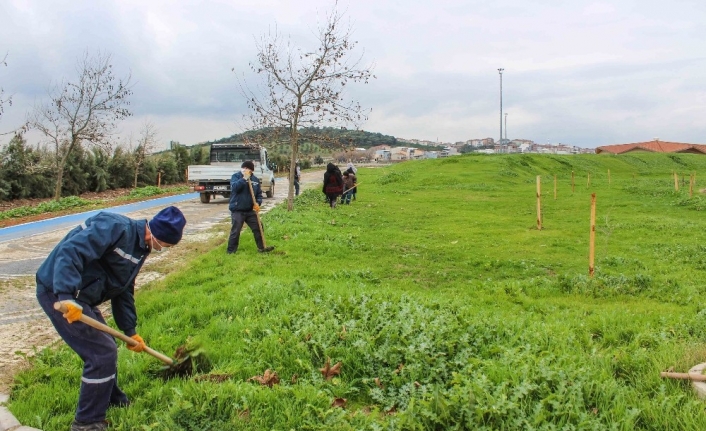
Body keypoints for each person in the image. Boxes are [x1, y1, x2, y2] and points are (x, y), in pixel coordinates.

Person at [36, 206, 187, 431]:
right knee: (101, 353)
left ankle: (111, 399)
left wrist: (130, 330)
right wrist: (66, 296)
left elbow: (123, 289)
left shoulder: (140, 248)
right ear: (156, 235)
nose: (162, 249)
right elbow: (71, 251)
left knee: (108, 347)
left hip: (82, 298)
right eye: (165, 245)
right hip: (57, 292)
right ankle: (87, 422)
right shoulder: (115, 227)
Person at [227, 160, 275, 254]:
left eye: (249, 170)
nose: (247, 171)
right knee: (236, 230)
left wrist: (257, 203)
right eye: (245, 169)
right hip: (238, 209)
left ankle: (262, 247)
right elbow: (235, 188)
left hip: (250, 210)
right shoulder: (236, 177)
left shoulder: (255, 180)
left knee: (258, 227)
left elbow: (259, 194)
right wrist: (244, 178)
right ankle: (231, 251)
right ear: (243, 168)